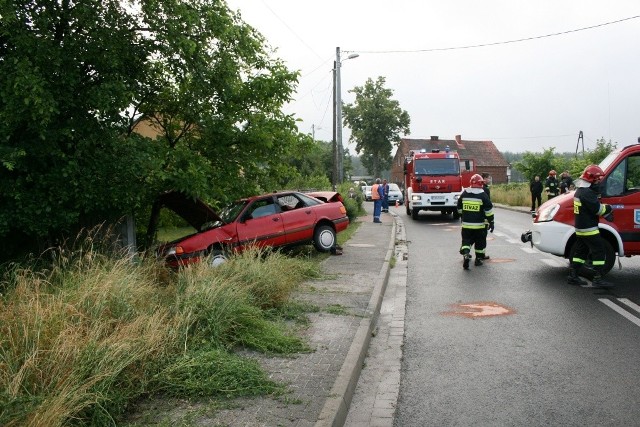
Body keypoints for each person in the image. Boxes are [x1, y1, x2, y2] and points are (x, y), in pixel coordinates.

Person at [567, 164, 615, 288]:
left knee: (580, 252)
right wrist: (609, 208)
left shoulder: (579, 191)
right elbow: (598, 209)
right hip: (590, 229)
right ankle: (598, 278)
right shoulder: (587, 193)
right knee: (599, 251)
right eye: (597, 179)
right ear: (591, 179)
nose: (599, 182)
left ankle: (573, 276)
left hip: (580, 228)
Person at [457, 174, 494, 269]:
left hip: (466, 226)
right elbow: (489, 210)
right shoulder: (483, 195)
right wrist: (491, 222)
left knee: (466, 241)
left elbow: (459, 207)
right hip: (480, 226)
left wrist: (463, 216)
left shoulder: (464, 193)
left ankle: (466, 254)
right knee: (479, 243)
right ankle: (478, 260)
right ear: (480, 183)